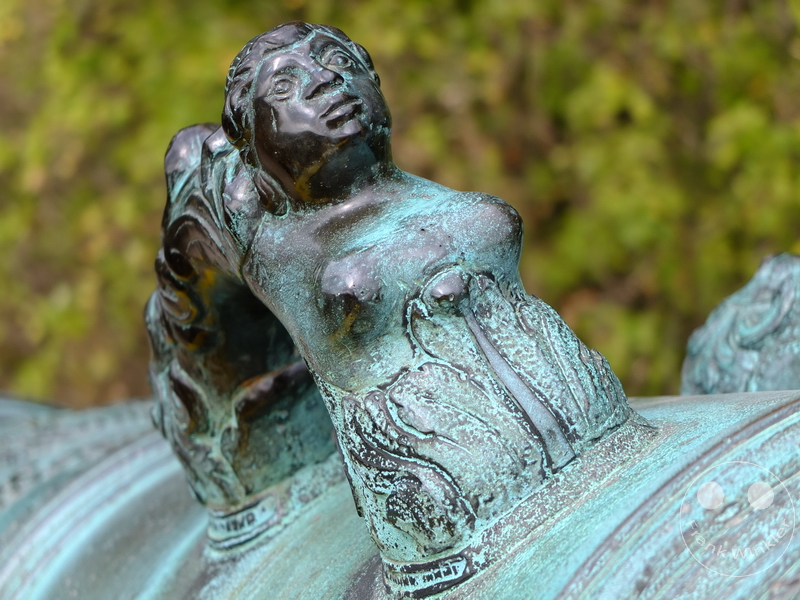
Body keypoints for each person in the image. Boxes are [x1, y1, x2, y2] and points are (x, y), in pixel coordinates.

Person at [148, 21, 636, 590]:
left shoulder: (410, 192)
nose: (325, 80)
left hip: (590, 425)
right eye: (284, 89)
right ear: (254, 146)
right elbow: (193, 194)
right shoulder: (274, 241)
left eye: (337, 59)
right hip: (441, 515)